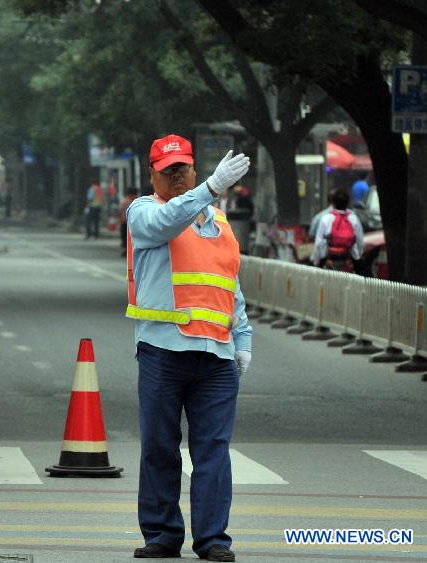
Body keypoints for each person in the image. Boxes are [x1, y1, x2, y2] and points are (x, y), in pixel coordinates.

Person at [126, 134, 252, 562]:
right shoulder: (144, 212)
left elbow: (231, 287)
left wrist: (244, 339)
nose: (178, 177)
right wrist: (210, 189)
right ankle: (162, 535)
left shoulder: (220, 222)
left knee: (213, 451)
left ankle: (213, 539)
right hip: (162, 353)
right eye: (168, 171)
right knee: (160, 447)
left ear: (195, 169)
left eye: (184, 168)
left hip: (216, 357)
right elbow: (168, 223)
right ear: (153, 175)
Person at [310, 188, 365, 272]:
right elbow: (360, 242)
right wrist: (357, 257)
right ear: (347, 203)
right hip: (348, 260)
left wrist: (316, 262)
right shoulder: (353, 218)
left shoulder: (326, 218)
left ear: (333, 203)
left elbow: (318, 244)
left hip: (329, 261)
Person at [119, 187, 140, 255]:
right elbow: (122, 213)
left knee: (129, 237)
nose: (136, 196)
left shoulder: (134, 201)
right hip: (126, 222)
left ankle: (128, 250)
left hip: (131, 223)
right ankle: (126, 250)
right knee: (125, 237)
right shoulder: (127, 202)